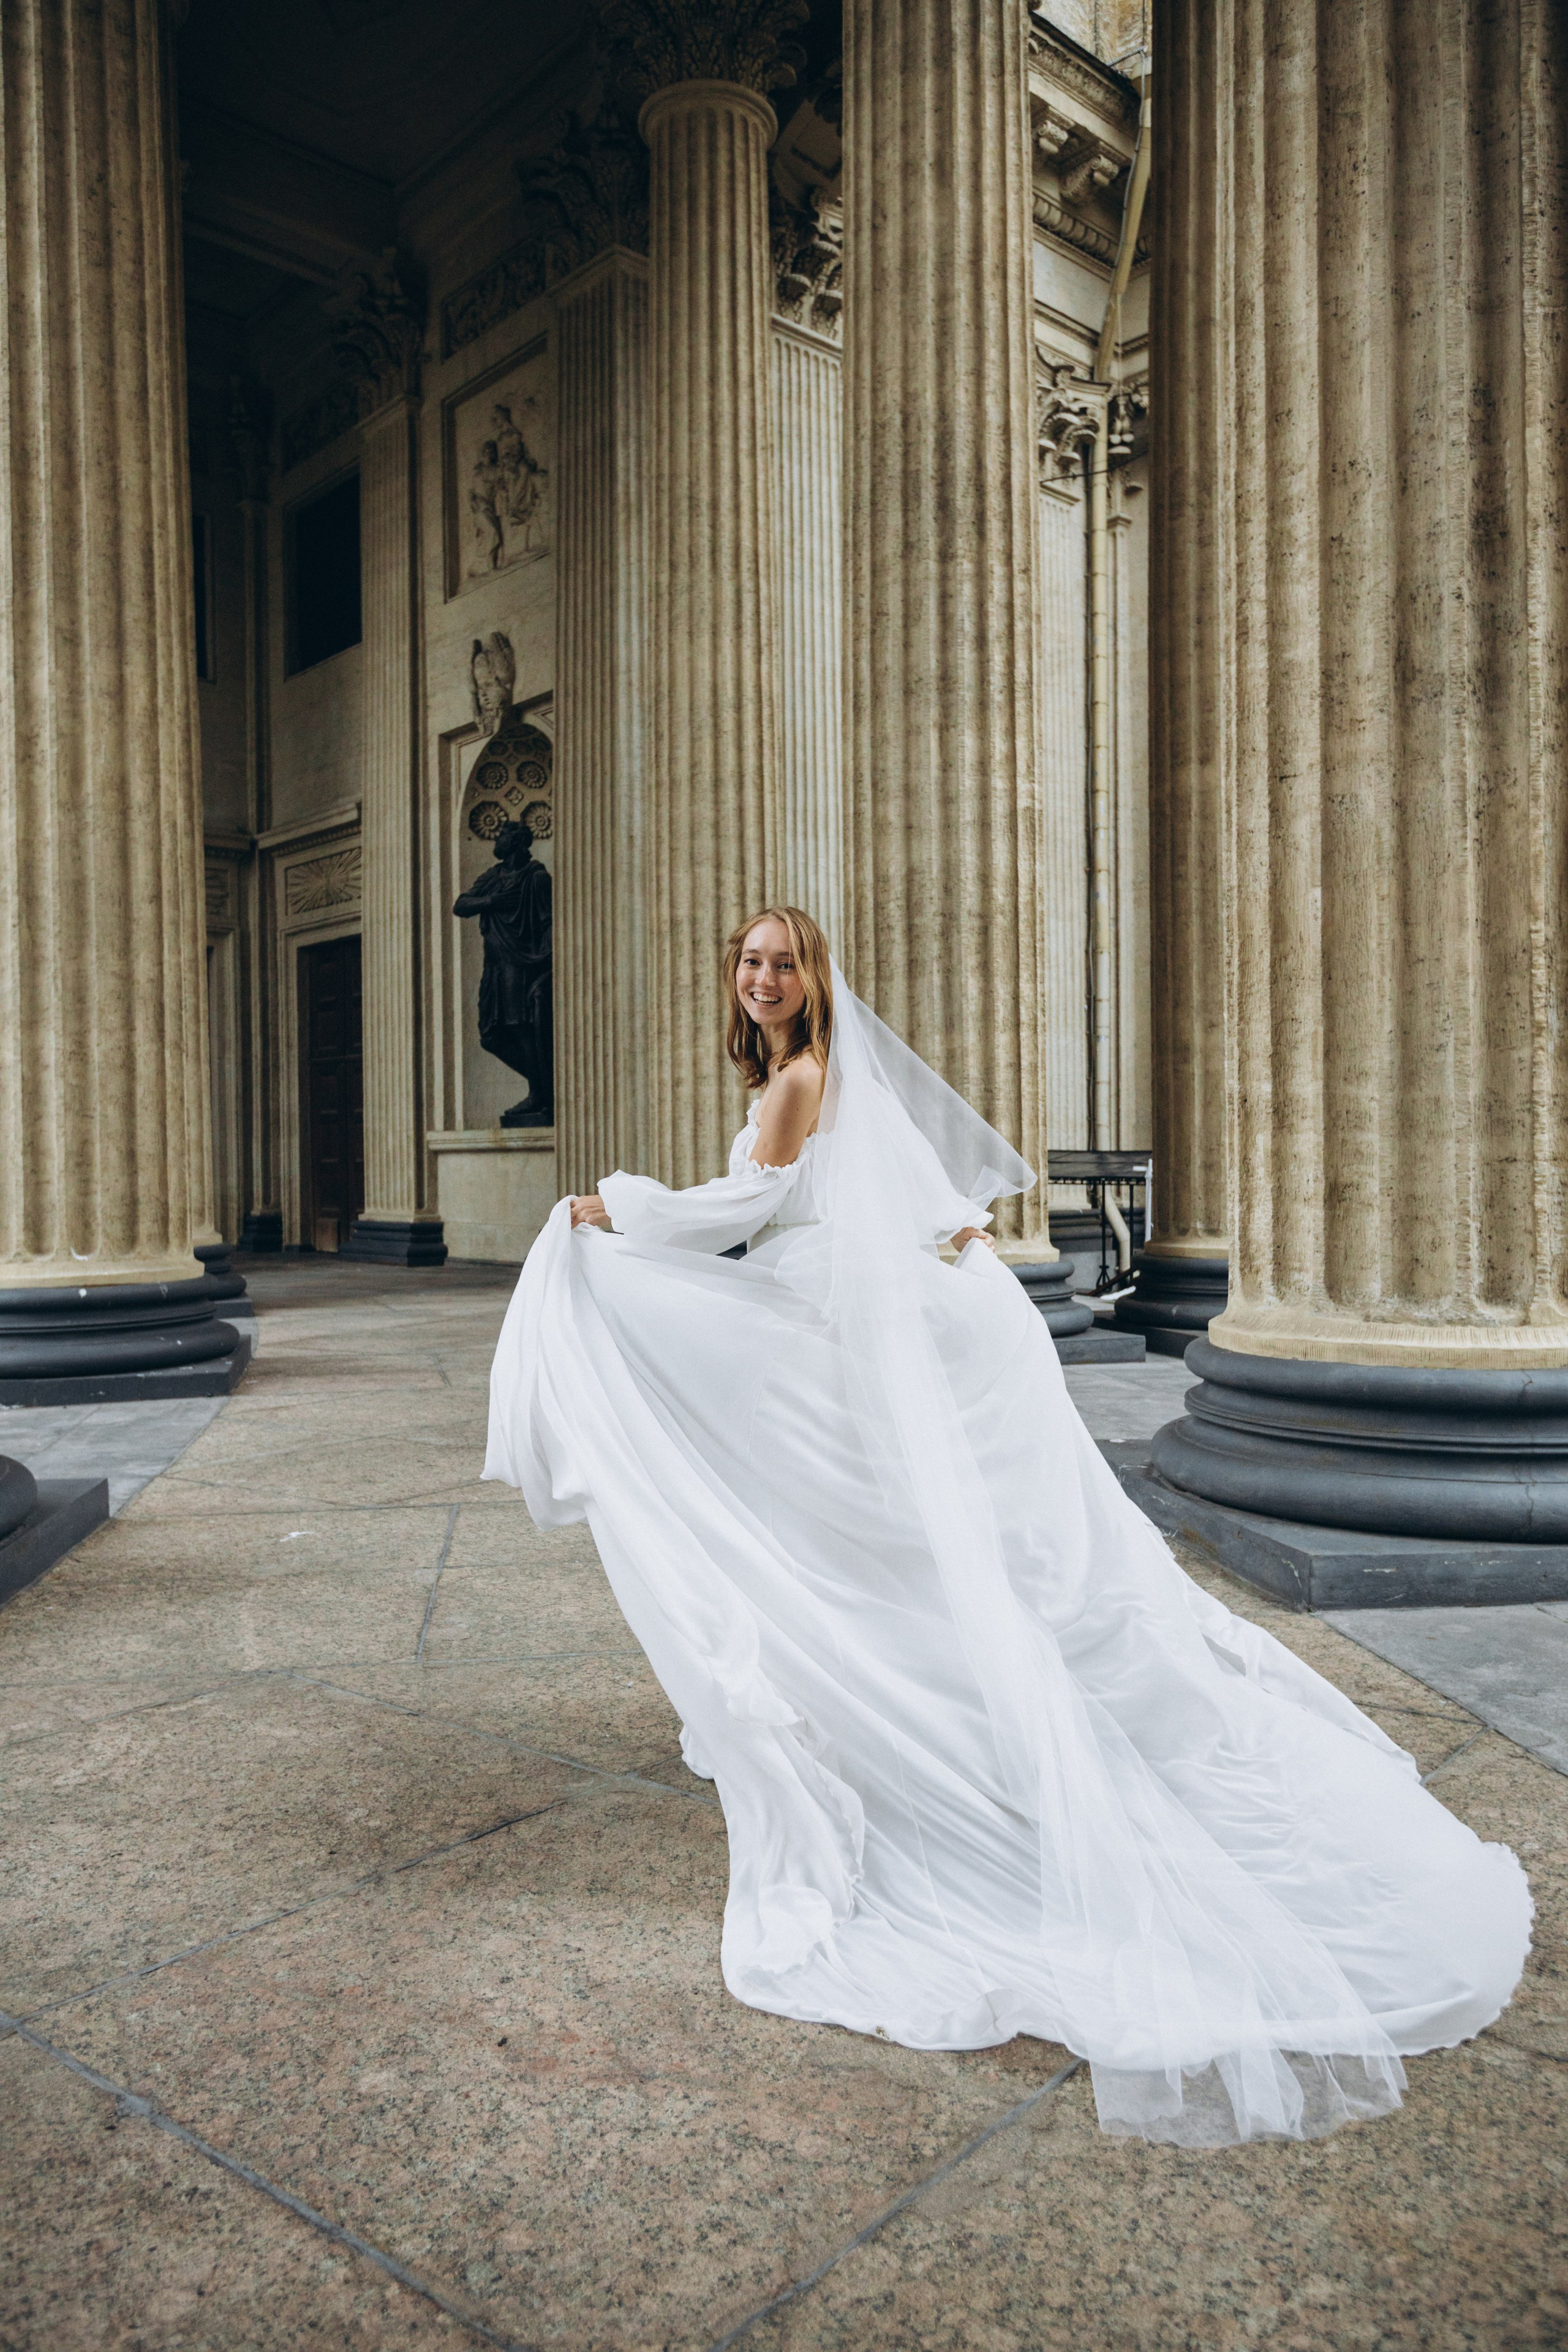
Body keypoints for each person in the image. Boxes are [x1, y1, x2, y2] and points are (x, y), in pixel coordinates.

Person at [484, 906, 1529, 2147]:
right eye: (748, 962)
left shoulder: (801, 1079)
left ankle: (965, 1733)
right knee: (970, 1549)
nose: (762, 979)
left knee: (898, 1534)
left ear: (814, 979)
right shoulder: (818, 1078)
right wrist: (942, 1230)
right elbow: (882, 1193)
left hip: (899, 1330)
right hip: (943, 1311)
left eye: (782, 962)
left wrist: (607, 1211)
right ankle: (974, 1705)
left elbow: (724, 1218)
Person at [453, 820, 552, 1126]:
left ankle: (541, 1095)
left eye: (502, 837)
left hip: (522, 965)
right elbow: (461, 905)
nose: (496, 841)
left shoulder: (535, 878)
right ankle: (547, 1087)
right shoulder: (494, 878)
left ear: (517, 842)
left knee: (521, 1029)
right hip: (495, 965)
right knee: (490, 1035)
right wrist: (491, 901)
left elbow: (549, 922)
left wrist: (547, 967)